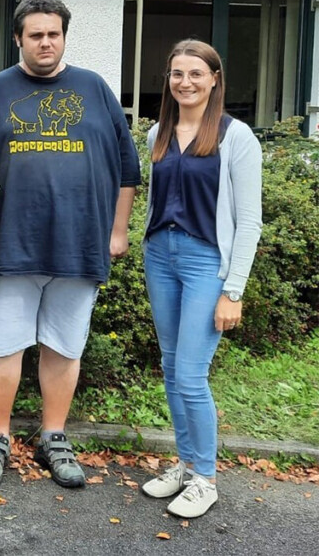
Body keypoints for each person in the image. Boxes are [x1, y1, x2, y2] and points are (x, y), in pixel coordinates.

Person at [0, 0, 141, 490]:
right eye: (35, 34)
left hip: (79, 242)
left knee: (64, 348)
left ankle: (54, 435)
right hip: (8, 243)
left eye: (53, 34)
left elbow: (127, 168)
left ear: (64, 36)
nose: (45, 42)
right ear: (19, 38)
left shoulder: (95, 88)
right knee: (2, 346)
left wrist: (117, 229)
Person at [140, 40, 262, 518]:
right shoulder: (158, 134)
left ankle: (206, 478)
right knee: (172, 369)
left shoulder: (236, 137)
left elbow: (249, 220)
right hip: (161, 256)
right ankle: (186, 464)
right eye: (176, 74)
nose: (185, 82)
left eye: (195, 73)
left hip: (205, 262)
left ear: (214, 79)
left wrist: (233, 290)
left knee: (191, 374)